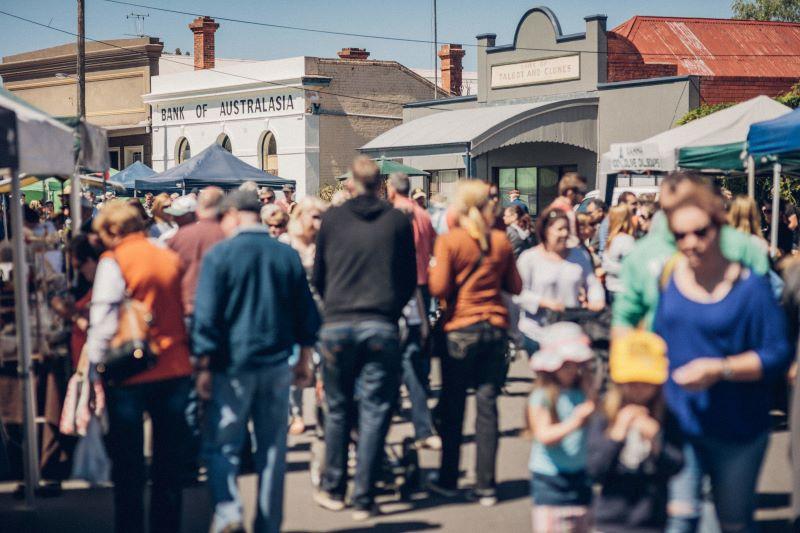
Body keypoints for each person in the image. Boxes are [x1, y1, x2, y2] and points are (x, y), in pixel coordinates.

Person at [651, 186, 791, 532]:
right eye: (680, 234)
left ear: (719, 226)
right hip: (681, 424)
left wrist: (721, 369)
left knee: (730, 522)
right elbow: (660, 345)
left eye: (700, 232)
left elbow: (777, 354)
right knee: (679, 519)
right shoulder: (670, 279)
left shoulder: (751, 287)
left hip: (738, 428)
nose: (690, 242)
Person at [193, 189, 319, 533]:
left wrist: (203, 365)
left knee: (223, 446)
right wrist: (305, 357)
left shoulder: (220, 256)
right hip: (276, 362)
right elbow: (305, 312)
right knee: (272, 450)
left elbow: (206, 316)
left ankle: (230, 510)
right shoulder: (285, 255)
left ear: (233, 214)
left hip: (231, 365)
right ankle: (268, 524)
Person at [311, 156, 416, 520]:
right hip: (380, 323)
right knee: (375, 410)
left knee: (339, 409)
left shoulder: (332, 219)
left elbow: (319, 274)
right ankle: (364, 494)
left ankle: (334, 486)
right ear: (382, 183)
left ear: (351, 183)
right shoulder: (397, 221)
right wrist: (390, 310)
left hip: (338, 323)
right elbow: (407, 277)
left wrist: (334, 306)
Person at [86, 200, 193, 533]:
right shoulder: (168, 255)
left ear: (114, 230)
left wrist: (92, 368)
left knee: (129, 467)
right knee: (167, 465)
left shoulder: (114, 260)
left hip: (130, 369)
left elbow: (103, 318)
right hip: (175, 367)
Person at [427, 180, 522, 506]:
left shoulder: (450, 241)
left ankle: (449, 479)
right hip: (494, 329)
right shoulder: (500, 241)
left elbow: (438, 288)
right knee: (487, 407)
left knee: (454, 408)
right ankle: (486, 485)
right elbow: (516, 285)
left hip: (460, 331)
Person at [612, 172, 770, 335]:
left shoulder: (741, 245)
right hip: (660, 354)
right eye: (670, 210)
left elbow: (766, 314)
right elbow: (623, 319)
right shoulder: (642, 254)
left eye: (688, 204)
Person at [587, 331, 684, 533]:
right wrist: (617, 434)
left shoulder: (666, 416)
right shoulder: (606, 414)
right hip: (610, 520)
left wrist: (657, 439)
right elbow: (594, 470)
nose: (639, 388)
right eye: (632, 382)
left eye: (646, 382)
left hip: (651, 520)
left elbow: (676, 465)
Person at [387, 172, 440, 451]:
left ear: (391, 189)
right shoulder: (422, 214)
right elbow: (434, 247)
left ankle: (395, 405)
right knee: (415, 349)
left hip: (395, 288)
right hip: (420, 285)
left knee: (396, 353)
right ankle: (421, 421)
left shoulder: (392, 215)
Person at [526, 322, 596, 532]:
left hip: (581, 474)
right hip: (550, 479)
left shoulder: (581, 392)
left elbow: (598, 412)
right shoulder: (542, 396)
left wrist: (589, 386)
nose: (573, 370)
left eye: (578, 365)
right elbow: (544, 436)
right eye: (567, 365)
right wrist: (575, 421)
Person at [515, 207, 605, 358]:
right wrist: (545, 302)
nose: (564, 234)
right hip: (537, 332)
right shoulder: (529, 258)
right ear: (545, 231)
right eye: (560, 229)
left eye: (567, 229)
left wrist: (597, 299)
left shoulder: (579, 255)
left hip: (570, 329)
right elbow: (518, 294)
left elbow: (592, 283)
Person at [283, 196, 328, 436]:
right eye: (316, 216)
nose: (320, 222)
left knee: (325, 366)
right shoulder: (287, 243)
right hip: (296, 311)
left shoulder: (326, 243)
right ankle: (296, 414)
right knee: (295, 365)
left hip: (324, 310)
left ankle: (323, 411)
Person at [166, 187, 225, 318]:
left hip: (187, 305)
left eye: (178, 215)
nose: (173, 218)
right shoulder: (227, 234)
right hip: (219, 307)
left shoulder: (178, 236)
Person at [602, 205, 636, 299]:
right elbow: (633, 268)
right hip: (623, 290)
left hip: (610, 287)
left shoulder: (611, 239)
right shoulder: (626, 240)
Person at [549, 172, 587, 244]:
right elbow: (571, 243)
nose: (585, 196)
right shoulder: (566, 213)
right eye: (582, 192)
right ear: (570, 192)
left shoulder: (554, 207)